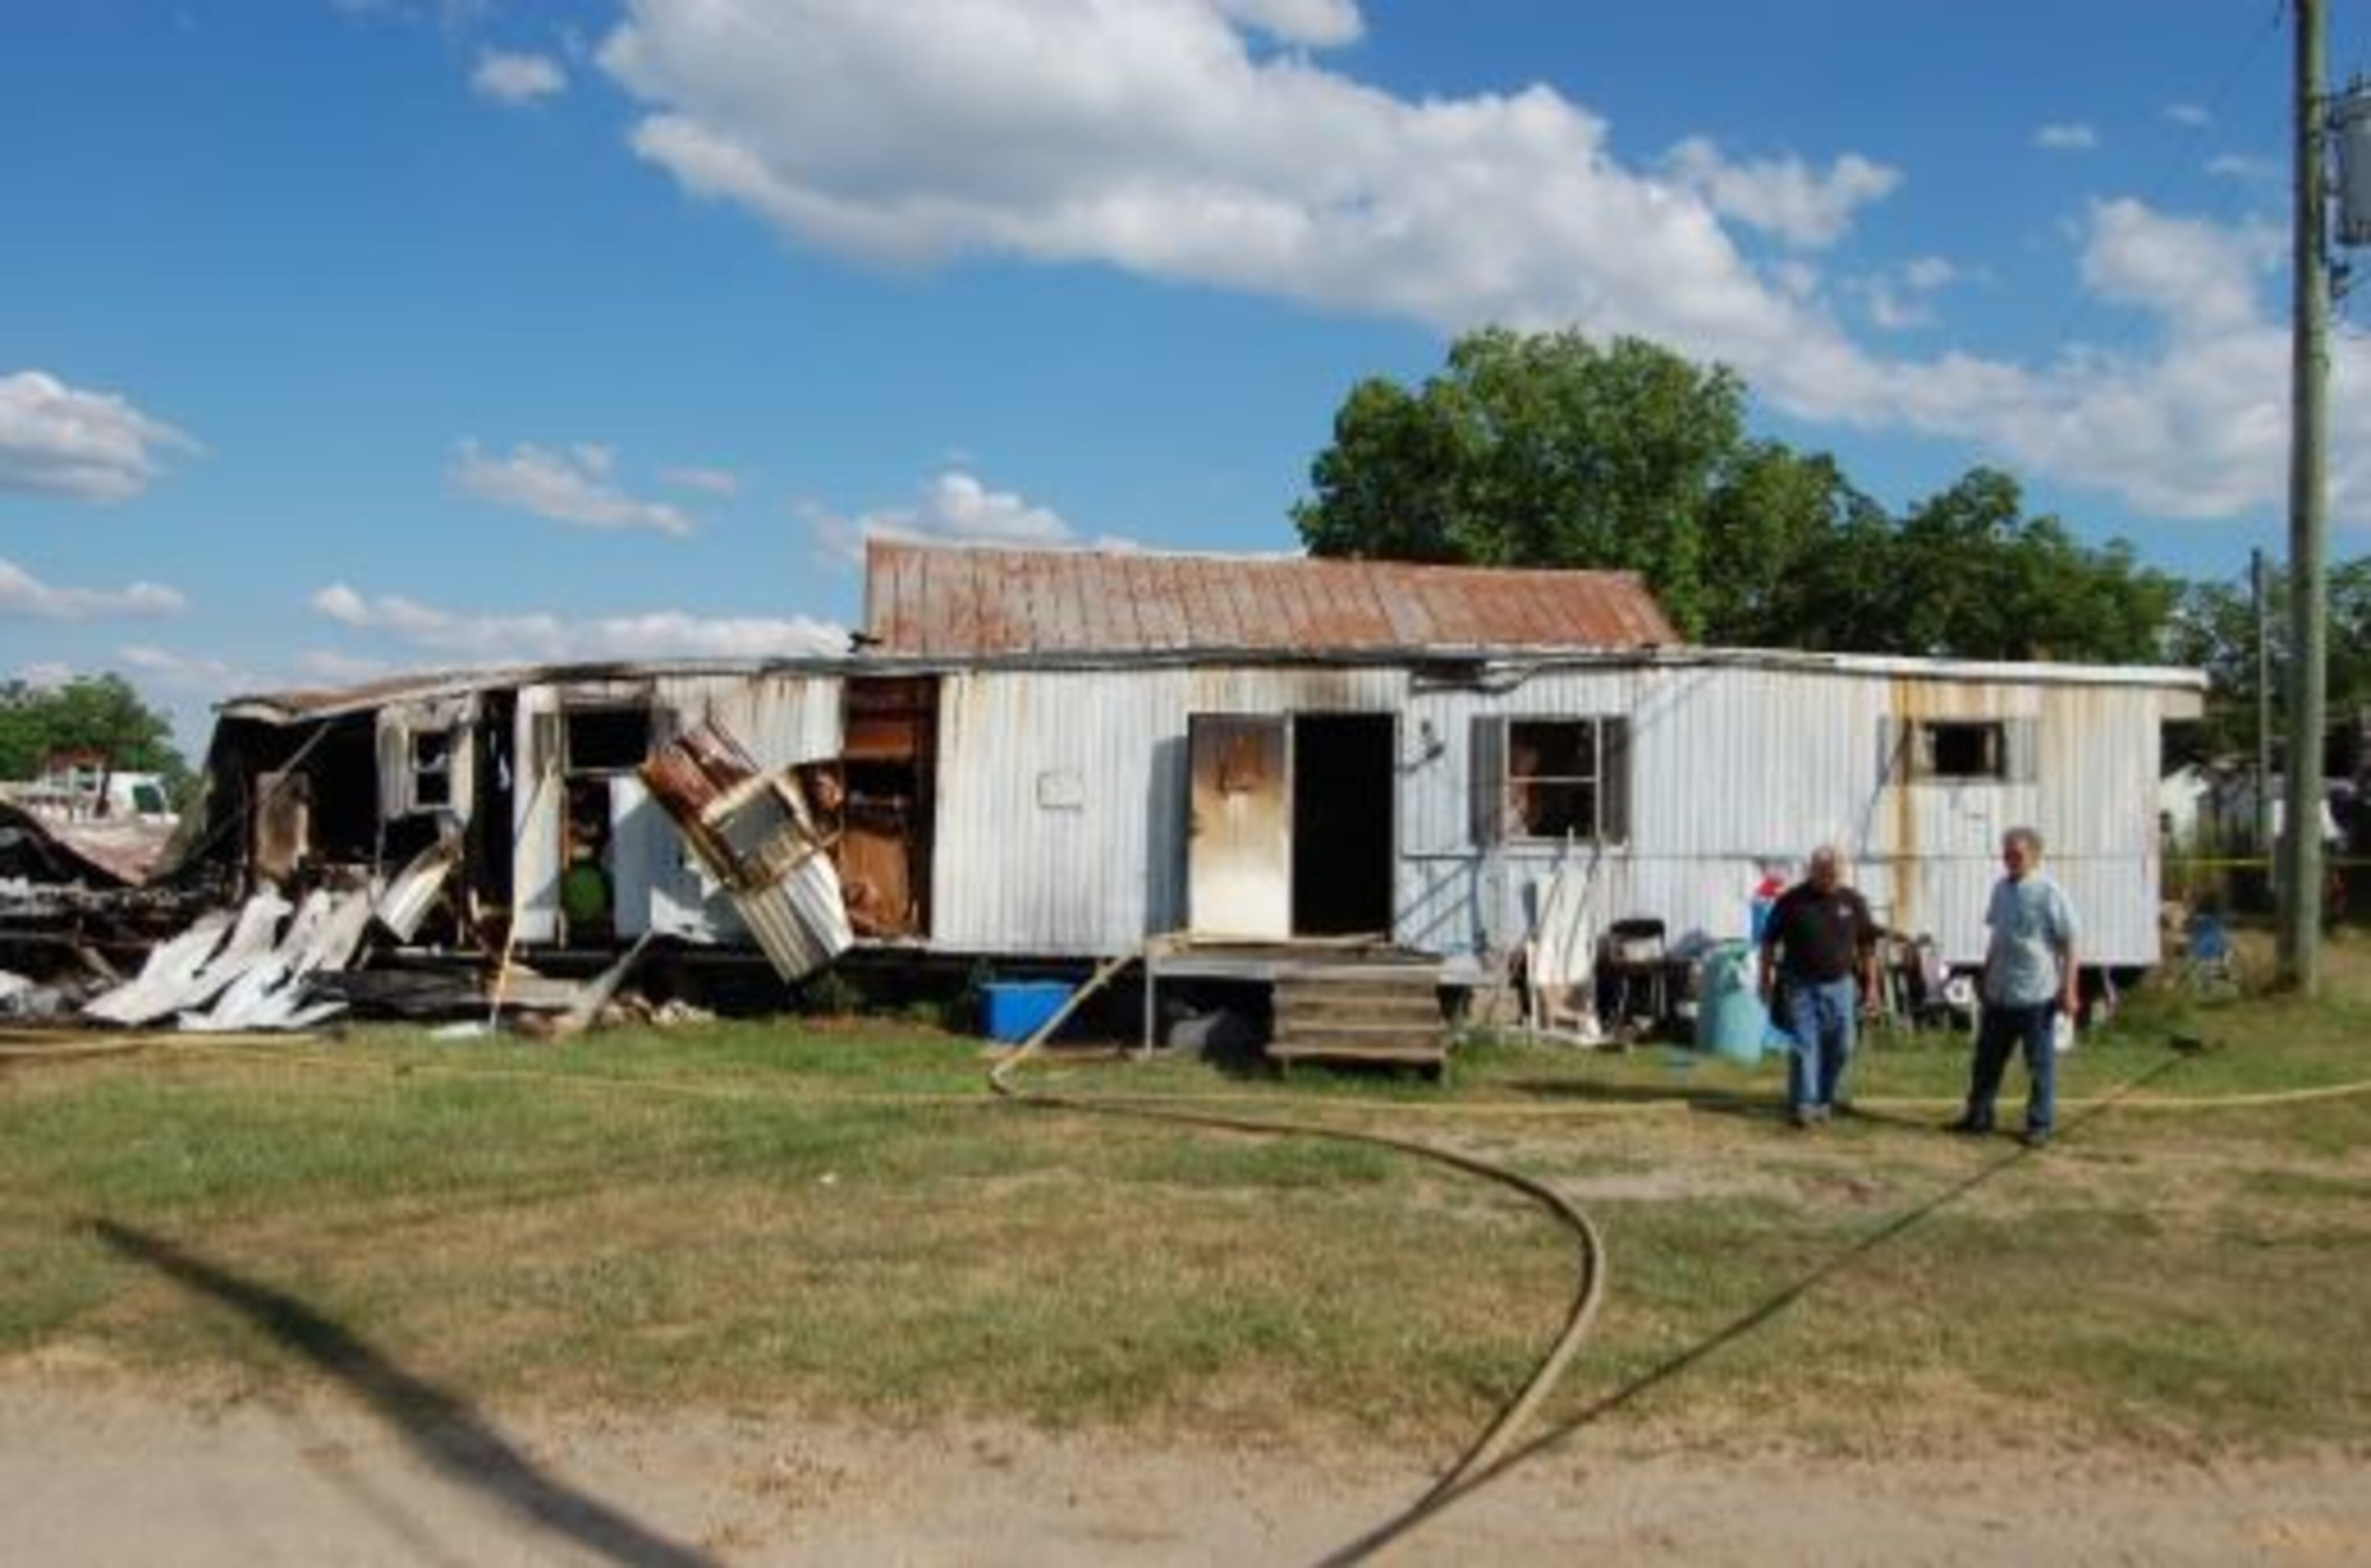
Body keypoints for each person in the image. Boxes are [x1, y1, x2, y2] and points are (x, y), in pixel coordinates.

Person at [1949, 826, 2080, 1149]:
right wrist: (1985, 974)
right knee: (1986, 1061)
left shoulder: (2049, 892)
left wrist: (2069, 989)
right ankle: (1978, 1117)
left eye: (2017, 854)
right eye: (2006, 853)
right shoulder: (2000, 890)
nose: (2010, 859)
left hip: (2037, 995)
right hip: (2000, 993)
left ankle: (2039, 1125)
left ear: (2034, 856)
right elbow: (1996, 936)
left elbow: (2071, 943)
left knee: (2039, 1065)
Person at [1757, 844, 1880, 1127]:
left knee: (1843, 1047)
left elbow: (1867, 947)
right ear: (1813, 871)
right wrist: (1764, 980)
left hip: (1841, 985)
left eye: (1836, 875)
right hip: (1799, 984)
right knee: (1805, 1045)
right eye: (1825, 874)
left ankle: (1824, 1100)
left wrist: (1872, 986)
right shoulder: (1790, 901)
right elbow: (1768, 942)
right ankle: (1803, 1104)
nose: (1831, 880)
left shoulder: (1854, 901)